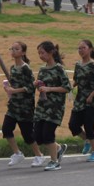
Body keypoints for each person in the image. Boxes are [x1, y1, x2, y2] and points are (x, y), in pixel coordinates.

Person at [2, 42, 42, 167]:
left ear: (23, 52)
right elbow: (14, 85)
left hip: (25, 107)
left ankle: (39, 156)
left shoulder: (26, 68)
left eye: (16, 49)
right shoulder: (12, 68)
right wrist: (9, 90)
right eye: (12, 48)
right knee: (6, 129)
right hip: (14, 105)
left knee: (28, 134)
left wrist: (15, 91)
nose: (13, 51)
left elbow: (31, 86)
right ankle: (17, 153)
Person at [33, 41, 71, 171]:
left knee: (48, 134)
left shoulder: (59, 68)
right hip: (42, 107)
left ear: (51, 53)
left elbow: (67, 88)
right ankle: (59, 148)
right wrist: (37, 84)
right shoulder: (42, 69)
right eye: (39, 53)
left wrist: (49, 89)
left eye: (42, 52)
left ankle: (54, 161)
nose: (40, 55)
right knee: (38, 136)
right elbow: (41, 86)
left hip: (55, 108)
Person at [69, 40, 94, 163]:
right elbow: (76, 80)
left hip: (92, 101)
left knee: (89, 126)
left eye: (83, 48)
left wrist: (91, 96)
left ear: (90, 49)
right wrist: (71, 86)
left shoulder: (93, 66)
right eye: (79, 48)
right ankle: (87, 140)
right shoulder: (78, 65)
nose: (81, 50)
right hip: (79, 100)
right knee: (73, 125)